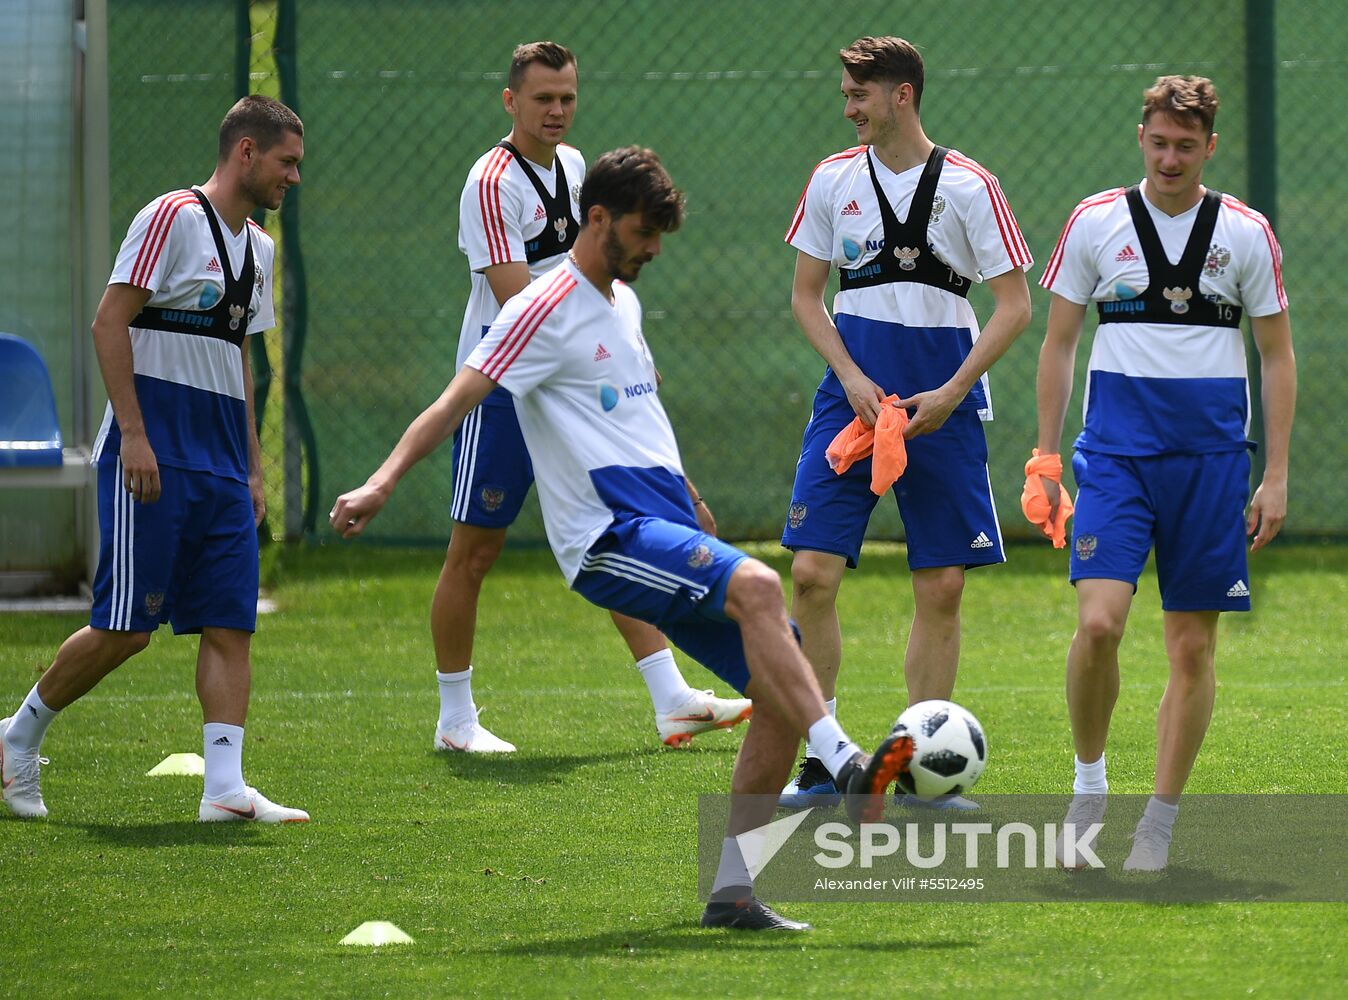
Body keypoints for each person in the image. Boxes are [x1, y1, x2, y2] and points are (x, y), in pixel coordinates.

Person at [332, 147, 912, 929]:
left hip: (661, 519)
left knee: (785, 678)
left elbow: (637, 415)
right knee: (762, 589)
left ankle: (733, 894)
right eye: (643, 232)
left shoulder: (623, 304)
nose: (653, 250)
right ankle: (844, 763)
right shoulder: (537, 308)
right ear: (597, 218)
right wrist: (382, 480)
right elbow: (454, 401)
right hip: (608, 535)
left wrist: (694, 498)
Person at [434, 41, 749, 753]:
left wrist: (619, 349)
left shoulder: (577, 168)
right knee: (474, 551)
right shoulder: (491, 182)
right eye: (542, 98)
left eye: (567, 98)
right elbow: (521, 302)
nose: (557, 111)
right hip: (505, 386)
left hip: (574, 384)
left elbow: (596, 283)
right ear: (510, 101)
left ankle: (672, 698)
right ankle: (456, 719)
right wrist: (601, 348)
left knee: (616, 533)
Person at [1, 96, 308, 823]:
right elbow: (110, 322)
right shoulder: (171, 216)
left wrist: (254, 467)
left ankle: (225, 789)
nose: (294, 177)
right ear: (245, 153)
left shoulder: (258, 249)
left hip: (222, 465)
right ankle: (16, 739)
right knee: (126, 628)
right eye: (286, 162)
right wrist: (134, 435)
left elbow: (236, 358)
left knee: (231, 621)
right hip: (153, 456)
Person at [1030, 75, 1295, 870]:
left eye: (1186, 144)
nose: (1170, 156)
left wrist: (1275, 474)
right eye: (1159, 141)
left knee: (1190, 650)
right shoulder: (1094, 222)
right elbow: (1058, 344)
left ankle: (1159, 825)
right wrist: (1046, 457)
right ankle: (1089, 786)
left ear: (1210, 146)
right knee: (1099, 624)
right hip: (1113, 460)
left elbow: (1277, 356)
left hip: (1213, 466)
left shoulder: (1246, 233)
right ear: (1140, 138)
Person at [778, 36, 1032, 808]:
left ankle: (921, 774)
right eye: (847, 94)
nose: (848, 107)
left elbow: (1015, 306)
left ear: (902, 96)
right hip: (850, 398)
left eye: (860, 94)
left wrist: (954, 390)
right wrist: (851, 376)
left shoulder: (970, 185)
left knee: (943, 585)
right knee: (811, 575)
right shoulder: (831, 179)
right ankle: (824, 761)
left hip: (941, 403)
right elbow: (805, 297)